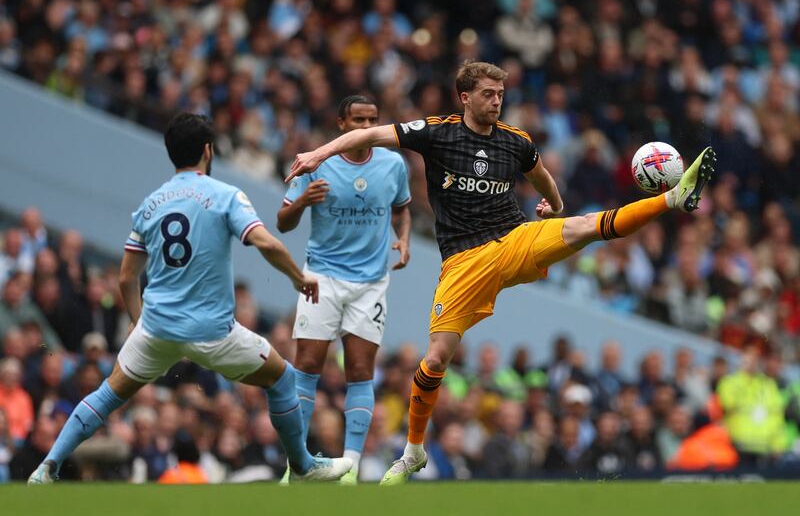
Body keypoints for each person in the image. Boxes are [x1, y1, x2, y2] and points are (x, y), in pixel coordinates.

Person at [286, 61, 716, 485]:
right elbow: (372, 133)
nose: (496, 102)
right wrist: (319, 153)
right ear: (465, 97)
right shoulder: (438, 131)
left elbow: (543, 177)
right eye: (488, 94)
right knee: (434, 360)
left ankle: (674, 198)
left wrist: (556, 206)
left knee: (586, 226)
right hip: (462, 264)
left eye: (500, 95)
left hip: (513, 240)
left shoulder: (516, 142)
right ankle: (414, 451)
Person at [27, 113, 352, 484]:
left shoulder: (150, 204)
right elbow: (263, 241)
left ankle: (47, 466)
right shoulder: (225, 195)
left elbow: (126, 277)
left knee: (108, 394)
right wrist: (298, 277)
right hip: (212, 332)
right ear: (208, 151)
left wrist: (137, 320)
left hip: (157, 329)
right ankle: (304, 467)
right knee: (282, 380)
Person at [276, 95, 411, 484]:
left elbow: (402, 208)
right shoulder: (316, 163)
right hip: (321, 278)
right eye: (357, 120)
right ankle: (296, 466)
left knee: (359, 371)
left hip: (369, 284)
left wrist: (403, 239)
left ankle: (349, 468)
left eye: (372, 120)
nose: (365, 127)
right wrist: (302, 200)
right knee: (307, 367)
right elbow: (283, 223)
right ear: (340, 124)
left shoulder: (392, 164)